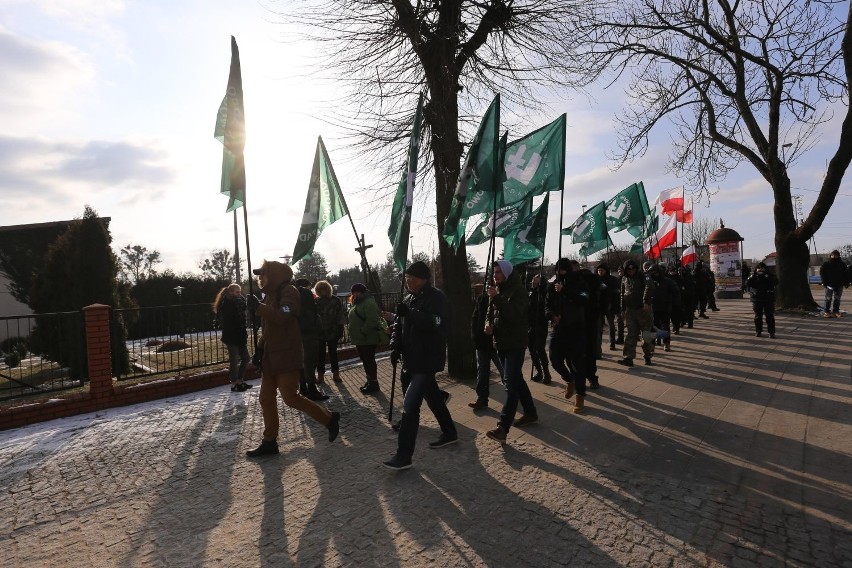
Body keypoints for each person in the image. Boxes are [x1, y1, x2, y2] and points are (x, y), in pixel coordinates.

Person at [244, 260, 340, 457]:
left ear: (276, 274)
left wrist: (259, 307)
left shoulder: (289, 292)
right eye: (259, 274)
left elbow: (282, 316)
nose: (260, 277)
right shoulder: (270, 295)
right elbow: (268, 328)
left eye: (263, 273)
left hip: (287, 354)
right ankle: (269, 441)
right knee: (265, 399)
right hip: (271, 356)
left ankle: (329, 419)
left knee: (290, 397)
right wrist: (259, 350)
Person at [384, 261, 457, 470]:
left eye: (412, 278)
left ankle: (403, 455)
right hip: (410, 359)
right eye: (407, 278)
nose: (408, 282)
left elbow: (435, 323)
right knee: (433, 397)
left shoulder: (437, 298)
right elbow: (399, 326)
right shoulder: (408, 299)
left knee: (410, 406)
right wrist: (394, 346)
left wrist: (409, 314)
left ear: (423, 279)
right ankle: (450, 431)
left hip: (426, 360)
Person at [485, 260, 539, 443]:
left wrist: (497, 299)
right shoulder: (498, 290)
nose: (495, 275)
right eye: (494, 272)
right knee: (516, 379)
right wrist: (488, 324)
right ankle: (531, 413)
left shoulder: (518, 291)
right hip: (501, 342)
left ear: (507, 273)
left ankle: (503, 428)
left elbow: (515, 315)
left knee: (510, 383)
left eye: (499, 272)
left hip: (515, 342)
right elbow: (491, 312)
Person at [545, 258, 588, 412]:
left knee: (577, 364)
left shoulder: (578, 282)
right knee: (555, 359)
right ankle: (569, 380)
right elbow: (547, 306)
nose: (560, 274)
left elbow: (584, 299)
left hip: (576, 328)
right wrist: (551, 316)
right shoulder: (552, 286)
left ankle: (580, 396)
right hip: (559, 329)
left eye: (563, 270)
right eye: (558, 271)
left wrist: (565, 291)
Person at [468, 286, 505, 409]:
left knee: (505, 371)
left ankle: (515, 395)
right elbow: (475, 318)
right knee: (482, 371)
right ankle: (482, 398)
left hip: (496, 342)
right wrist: (475, 336)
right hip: (482, 342)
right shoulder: (482, 299)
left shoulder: (502, 298)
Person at [213, 283, 252, 392]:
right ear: (231, 292)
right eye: (237, 292)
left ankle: (240, 380)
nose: (239, 294)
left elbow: (242, 317)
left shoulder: (240, 301)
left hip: (240, 335)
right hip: (231, 336)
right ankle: (234, 383)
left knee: (246, 358)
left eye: (240, 292)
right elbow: (229, 320)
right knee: (234, 360)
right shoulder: (227, 303)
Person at [347, 283, 385, 394]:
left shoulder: (368, 302)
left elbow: (372, 320)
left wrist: (363, 331)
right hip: (361, 338)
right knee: (366, 360)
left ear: (359, 292)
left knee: (369, 360)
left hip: (367, 338)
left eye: (354, 292)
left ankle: (373, 383)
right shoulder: (358, 302)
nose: (353, 294)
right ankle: (370, 381)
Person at [617, 259, 656, 367]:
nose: (631, 271)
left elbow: (650, 286)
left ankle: (647, 355)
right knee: (631, 334)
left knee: (646, 335)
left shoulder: (644, 276)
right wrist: (623, 309)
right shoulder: (624, 278)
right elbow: (622, 295)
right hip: (630, 310)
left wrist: (646, 301)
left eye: (633, 269)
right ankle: (628, 357)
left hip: (643, 310)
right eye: (628, 270)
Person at [294, 278, 328, 401]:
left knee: (301, 363)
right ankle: (312, 389)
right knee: (310, 362)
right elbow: (314, 320)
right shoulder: (308, 302)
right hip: (309, 335)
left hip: (298, 336)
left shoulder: (295, 302)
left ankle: (303, 388)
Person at [577, 263, 602, 389]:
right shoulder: (595, 282)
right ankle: (592, 378)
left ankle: (586, 378)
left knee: (580, 354)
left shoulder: (580, 282)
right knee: (590, 352)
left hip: (581, 322)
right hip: (590, 321)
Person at [314, 280, 345, 382]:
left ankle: (336, 374)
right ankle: (320, 375)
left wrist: (341, 328)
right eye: (320, 289)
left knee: (333, 353)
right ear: (318, 290)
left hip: (333, 330)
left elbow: (340, 315)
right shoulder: (316, 301)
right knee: (320, 354)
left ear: (328, 289)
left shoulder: (335, 300)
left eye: (324, 289)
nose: (322, 291)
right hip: (320, 332)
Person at [646, 263, 680, 352]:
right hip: (653, 307)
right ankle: (652, 345)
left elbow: (676, 292)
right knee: (653, 327)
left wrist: (676, 304)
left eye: (656, 272)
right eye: (652, 272)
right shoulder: (648, 281)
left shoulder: (668, 281)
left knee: (665, 327)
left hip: (665, 307)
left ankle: (666, 343)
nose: (654, 274)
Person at [527, 273, 551, 384]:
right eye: (533, 278)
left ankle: (547, 373)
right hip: (530, 324)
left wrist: (540, 290)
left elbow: (546, 304)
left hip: (541, 324)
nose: (533, 280)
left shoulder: (544, 292)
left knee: (539, 349)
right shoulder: (530, 292)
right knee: (532, 350)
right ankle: (539, 372)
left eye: (536, 279)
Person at [746, 262, 778, 337]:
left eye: (762, 268)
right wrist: (753, 276)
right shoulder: (753, 276)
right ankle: (758, 331)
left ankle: (771, 332)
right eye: (759, 268)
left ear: (765, 268)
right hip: (757, 299)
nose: (760, 269)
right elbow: (747, 283)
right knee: (758, 316)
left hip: (768, 299)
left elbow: (776, 282)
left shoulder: (770, 275)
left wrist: (767, 276)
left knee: (769, 316)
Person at [596, 263, 620, 351]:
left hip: (610, 306)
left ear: (606, 271)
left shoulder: (612, 280)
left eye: (602, 270)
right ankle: (599, 345)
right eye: (599, 270)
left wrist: (615, 306)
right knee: (599, 327)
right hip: (599, 306)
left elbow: (616, 294)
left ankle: (612, 343)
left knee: (611, 326)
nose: (600, 272)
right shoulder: (596, 280)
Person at [820, 250, 850, 317]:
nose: (834, 256)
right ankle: (826, 311)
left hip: (839, 284)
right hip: (829, 284)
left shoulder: (842, 264)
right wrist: (824, 282)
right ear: (830, 255)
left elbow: (846, 274)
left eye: (836, 255)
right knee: (828, 298)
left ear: (838, 256)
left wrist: (846, 282)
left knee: (837, 298)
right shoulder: (826, 264)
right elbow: (822, 273)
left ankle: (835, 311)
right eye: (833, 255)